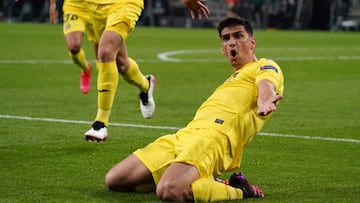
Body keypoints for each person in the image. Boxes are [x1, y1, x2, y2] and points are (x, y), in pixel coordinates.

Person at [104, 16, 284, 202]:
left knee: (169, 191)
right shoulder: (234, 78)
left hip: (214, 138)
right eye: (226, 38)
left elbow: (266, 85)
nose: (232, 43)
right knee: (115, 180)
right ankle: (197, 178)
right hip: (186, 135)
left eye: (238, 36)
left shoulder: (263, 66)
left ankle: (240, 191)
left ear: (252, 42)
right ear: (222, 48)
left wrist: (265, 101)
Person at [83, 0, 210, 142]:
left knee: (105, 52)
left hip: (124, 4)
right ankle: (146, 85)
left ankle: (100, 123)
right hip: (94, 6)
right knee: (121, 64)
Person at [49, 0, 96, 94]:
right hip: (74, 7)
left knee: (107, 56)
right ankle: (86, 69)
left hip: (99, 7)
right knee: (73, 46)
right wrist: (53, 5)